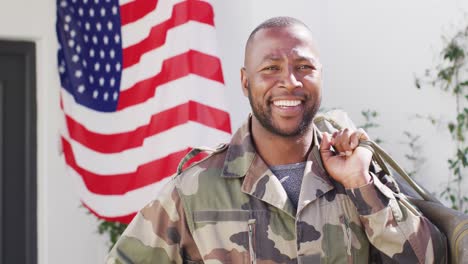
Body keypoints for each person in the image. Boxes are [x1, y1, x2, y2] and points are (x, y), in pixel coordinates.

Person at [106, 16, 447, 263]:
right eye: (270, 68)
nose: (290, 82)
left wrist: (361, 184)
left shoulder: (357, 172)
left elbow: (430, 259)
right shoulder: (196, 189)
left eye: (303, 67)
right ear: (245, 82)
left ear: (320, 76)